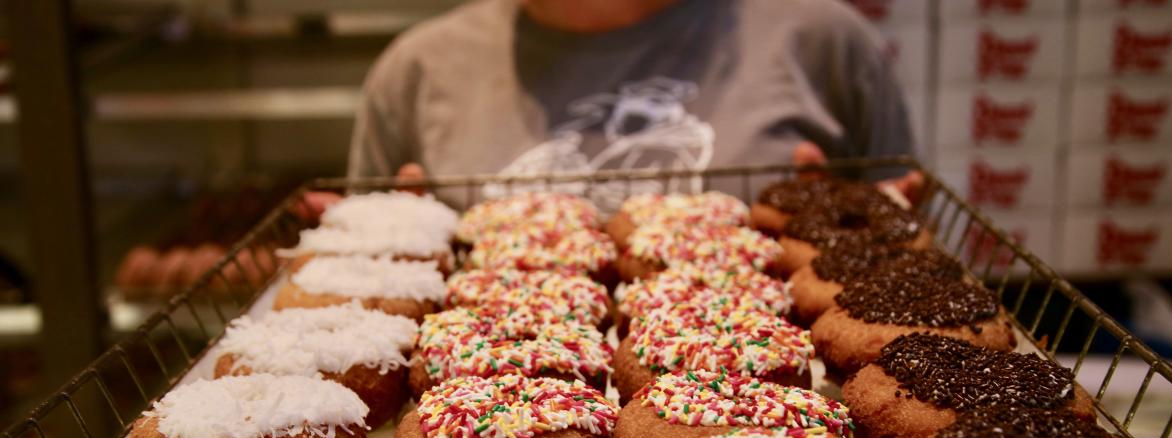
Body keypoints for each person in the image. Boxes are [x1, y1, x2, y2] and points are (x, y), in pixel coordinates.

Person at [305, 0, 921, 215]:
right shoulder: (417, 69)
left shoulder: (824, 43)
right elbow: (376, 287)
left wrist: (863, 237)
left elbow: (905, 272)